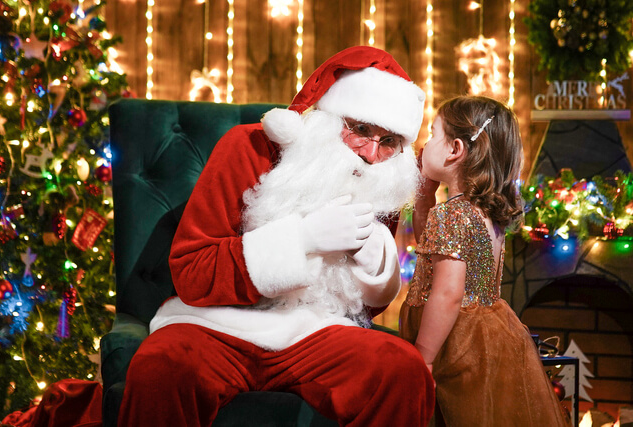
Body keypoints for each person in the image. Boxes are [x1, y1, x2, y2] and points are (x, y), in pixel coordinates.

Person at [118, 46, 435, 426]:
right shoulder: (246, 147)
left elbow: (361, 311)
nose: (370, 153)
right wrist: (301, 241)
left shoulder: (380, 177)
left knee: (401, 370)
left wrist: (373, 265)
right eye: (361, 130)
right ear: (329, 119)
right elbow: (192, 270)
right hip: (216, 325)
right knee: (162, 368)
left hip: (315, 331)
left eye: (389, 142)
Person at [399, 95, 570, 426]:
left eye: (433, 134)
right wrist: (424, 198)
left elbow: (448, 294)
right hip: (488, 337)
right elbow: (431, 248)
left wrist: (425, 356)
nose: (425, 143)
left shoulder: (451, 215)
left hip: (452, 343)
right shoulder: (486, 213)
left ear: (455, 150)